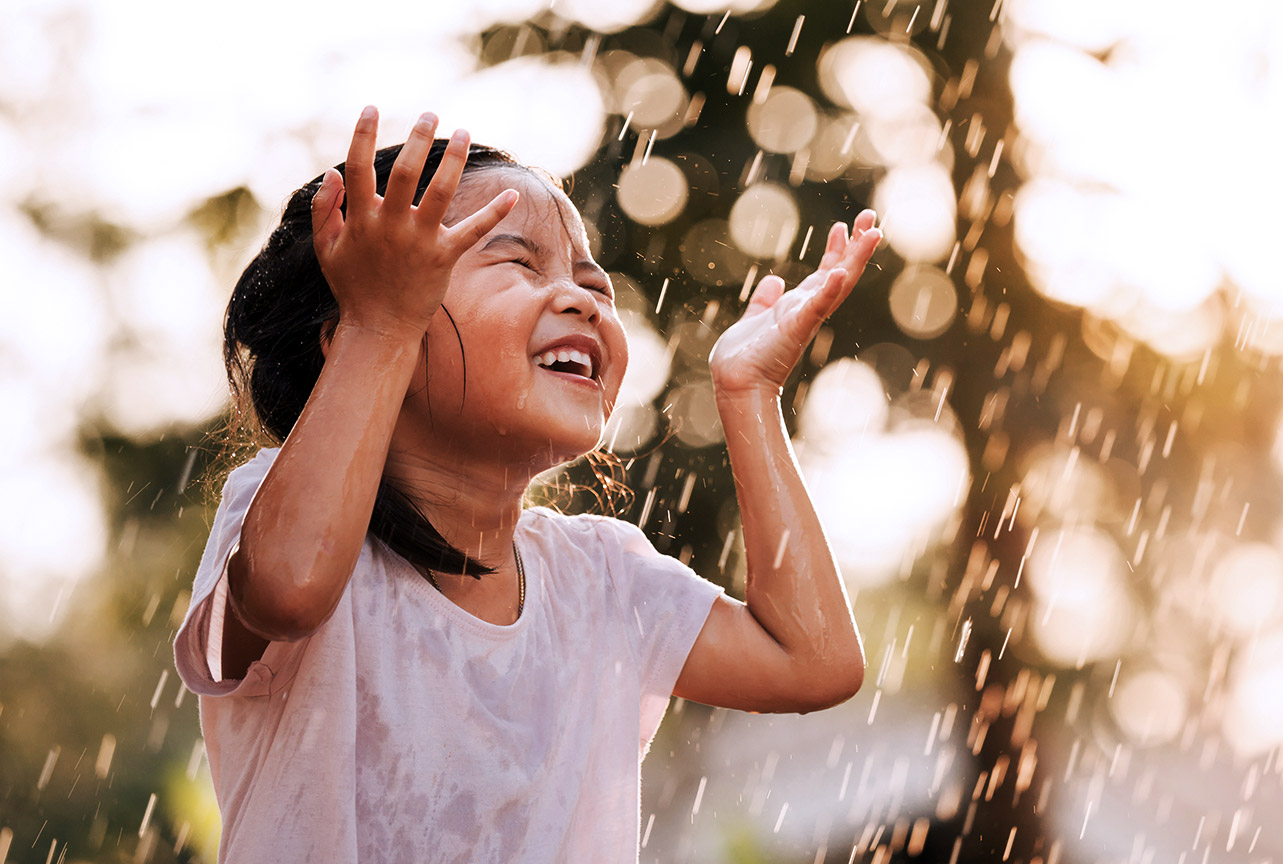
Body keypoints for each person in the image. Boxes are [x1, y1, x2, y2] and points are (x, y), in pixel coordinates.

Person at [172, 106, 881, 861]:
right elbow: (287, 590)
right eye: (517, 265)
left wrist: (748, 396)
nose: (582, 300)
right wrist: (378, 326)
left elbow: (815, 661)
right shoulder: (277, 514)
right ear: (353, 334)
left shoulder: (602, 581)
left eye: (593, 285)